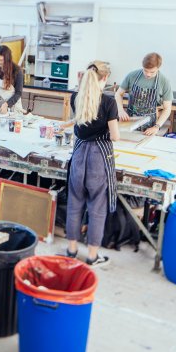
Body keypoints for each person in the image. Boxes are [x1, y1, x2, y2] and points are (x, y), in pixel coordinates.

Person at [65, 61, 120, 267]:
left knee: (74, 202)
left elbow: (80, 122)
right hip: (98, 158)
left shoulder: (75, 98)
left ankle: (71, 250)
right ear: (104, 79)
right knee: (97, 206)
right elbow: (114, 136)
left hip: (79, 155)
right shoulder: (108, 102)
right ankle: (92, 256)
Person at [115, 52, 173, 136]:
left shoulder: (164, 81)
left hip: (149, 128)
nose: (148, 74)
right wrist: (120, 110)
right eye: (145, 70)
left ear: (158, 68)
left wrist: (156, 127)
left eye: (152, 72)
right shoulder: (132, 76)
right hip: (129, 123)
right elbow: (118, 94)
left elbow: (167, 108)